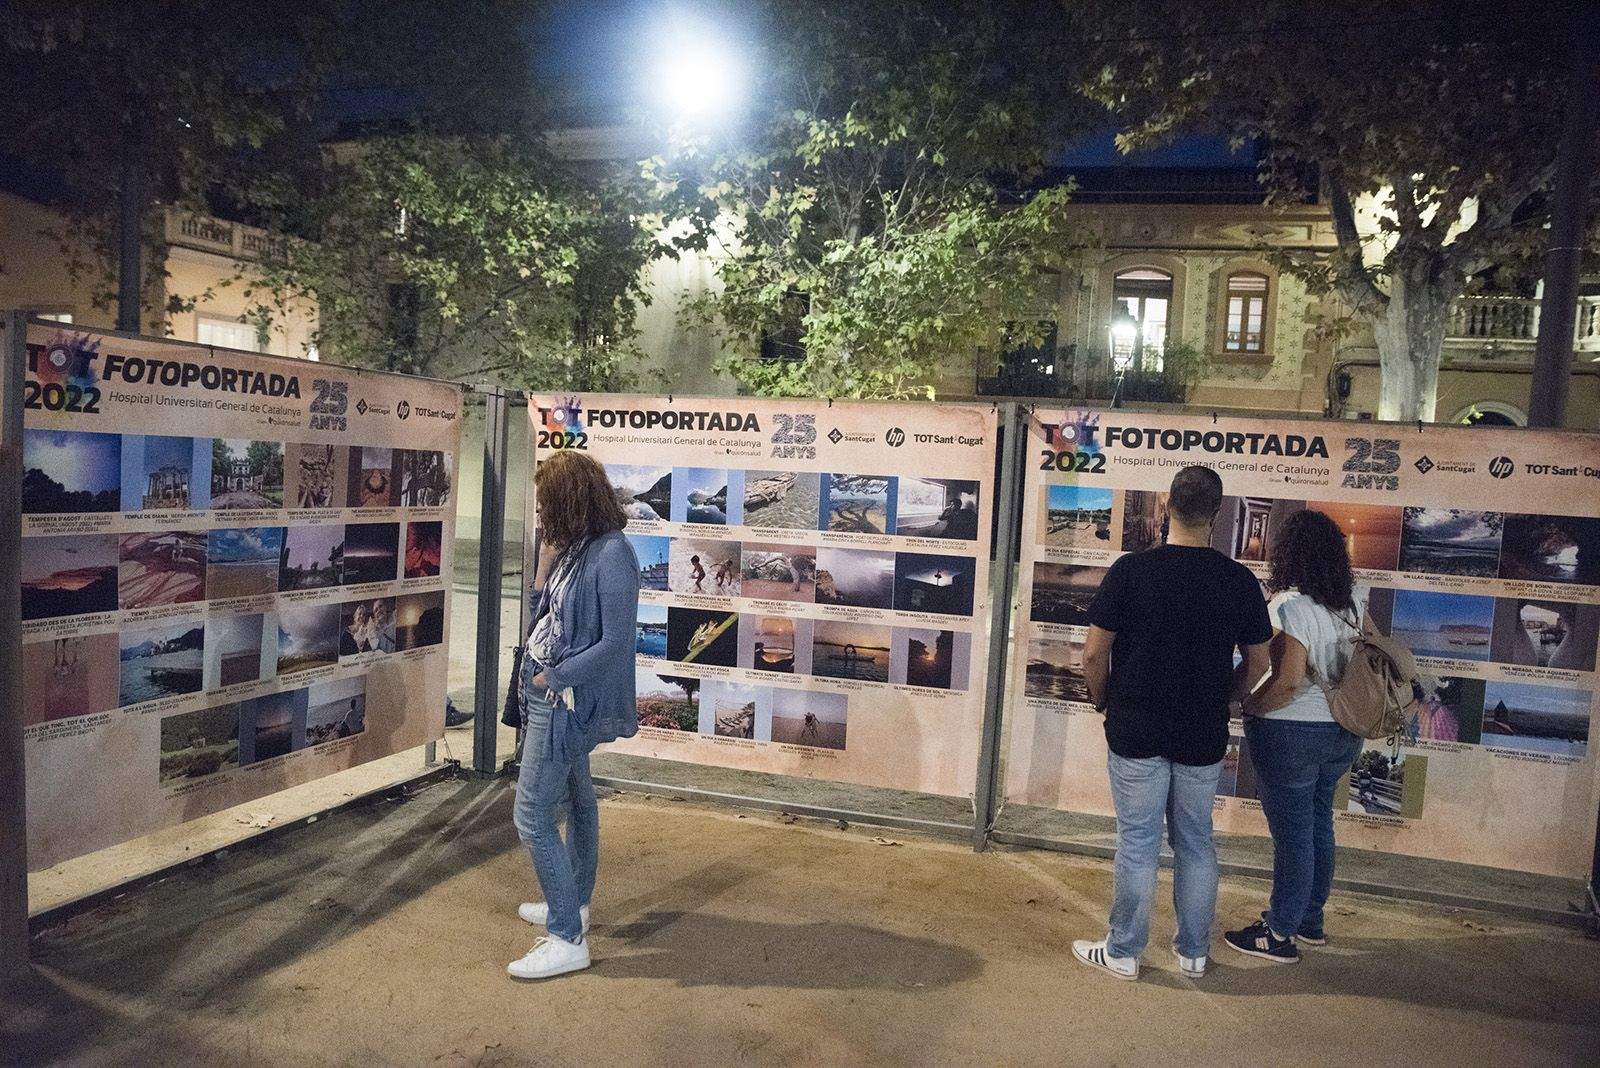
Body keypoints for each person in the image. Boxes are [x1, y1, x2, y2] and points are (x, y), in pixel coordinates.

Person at [1072, 466, 1272, 981]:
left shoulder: (1130, 572)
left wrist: (1104, 702)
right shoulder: (1238, 581)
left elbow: (1094, 655)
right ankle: (1193, 953)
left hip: (1136, 726)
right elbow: (1258, 663)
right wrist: (1227, 699)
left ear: (1167, 507)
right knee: (1196, 841)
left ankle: (1123, 952)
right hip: (1202, 732)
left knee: (1138, 843)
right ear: (1219, 511)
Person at [508, 450, 641, 981]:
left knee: (532, 814)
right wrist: (544, 564)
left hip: (562, 700)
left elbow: (616, 643)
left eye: (546, 503)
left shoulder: (612, 554)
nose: (541, 514)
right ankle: (573, 902)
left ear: (571, 500)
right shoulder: (576, 548)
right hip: (550, 692)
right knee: (579, 798)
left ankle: (566, 936)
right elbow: (549, 614)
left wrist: (551, 679)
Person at [1221, 510, 1366, 964]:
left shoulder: (1289, 607)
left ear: (1288, 554)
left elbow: (1285, 681)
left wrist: (1248, 708)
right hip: (1343, 731)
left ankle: (1278, 931)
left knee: (1294, 836)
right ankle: (1309, 921)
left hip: (1293, 733)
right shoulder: (1352, 602)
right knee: (1318, 823)